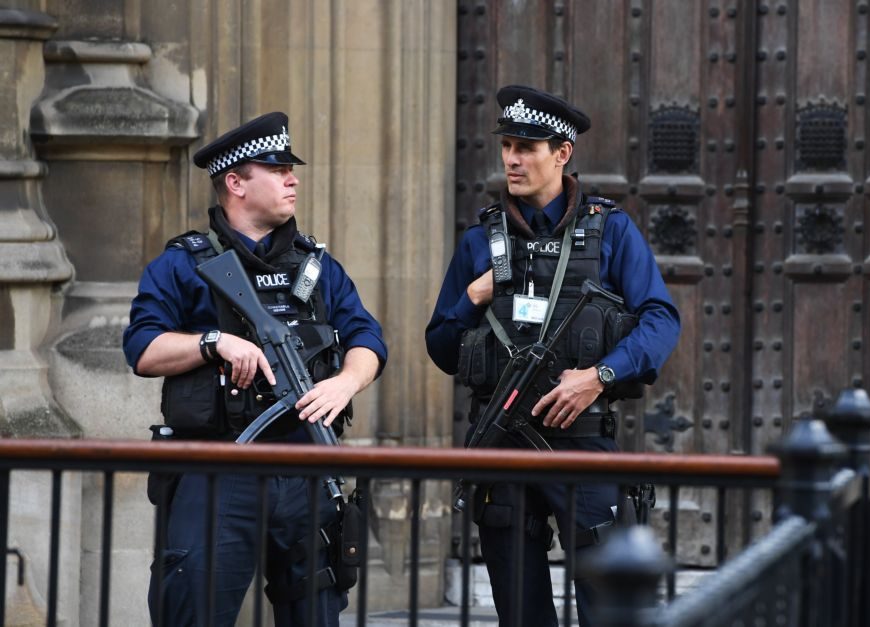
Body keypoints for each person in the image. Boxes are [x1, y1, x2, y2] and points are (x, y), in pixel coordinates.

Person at [425, 86, 681, 626]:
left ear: (562, 154)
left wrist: (600, 375)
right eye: (508, 146)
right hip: (503, 448)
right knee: (521, 613)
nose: (513, 159)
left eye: (528, 147)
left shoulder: (610, 229)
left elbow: (661, 319)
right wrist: (471, 298)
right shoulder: (480, 239)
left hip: (583, 444)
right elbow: (442, 349)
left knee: (609, 609)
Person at [123, 111, 387, 626]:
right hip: (220, 468)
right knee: (194, 610)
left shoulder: (317, 266)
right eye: (276, 168)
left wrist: (345, 382)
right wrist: (213, 342)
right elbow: (142, 348)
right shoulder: (185, 263)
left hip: (307, 467)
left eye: (291, 168)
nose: (292, 178)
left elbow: (368, 337)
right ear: (236, 182)